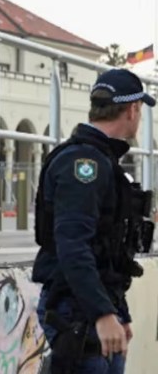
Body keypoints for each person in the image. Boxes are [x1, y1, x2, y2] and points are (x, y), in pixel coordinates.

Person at [32, 68, 156, 373]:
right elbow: (73, 246)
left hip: (95, 303)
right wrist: (102, 314)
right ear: (132, 109)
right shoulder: (83, 164)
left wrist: (117, 312)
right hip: (77, 308)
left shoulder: (102, 160)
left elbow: (107, 251)